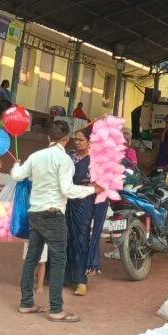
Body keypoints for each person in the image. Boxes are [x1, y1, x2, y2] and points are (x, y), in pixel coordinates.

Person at [12, 120, 100, 323]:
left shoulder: (35, 156)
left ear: (48, 137)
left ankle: (26, 303)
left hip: (35, 213)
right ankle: (56, 309)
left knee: (31, 258)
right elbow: (68, 190)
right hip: (53, 214)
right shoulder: (64, 160)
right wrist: (92, 189)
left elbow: (17, 175)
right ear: (66, 139)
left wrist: (17, 163)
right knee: (59, 259)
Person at [65, 127, 108, 297]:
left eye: (80, 139)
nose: (77, 142)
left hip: (84, 203)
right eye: (75, 139)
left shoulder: (97, 161)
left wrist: (93, 186)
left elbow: (104, 183)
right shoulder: (70, 157)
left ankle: (81, 280)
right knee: (65, 236)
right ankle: (63, 275)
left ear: (90, 142)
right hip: (67, 200)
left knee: (81, 237)